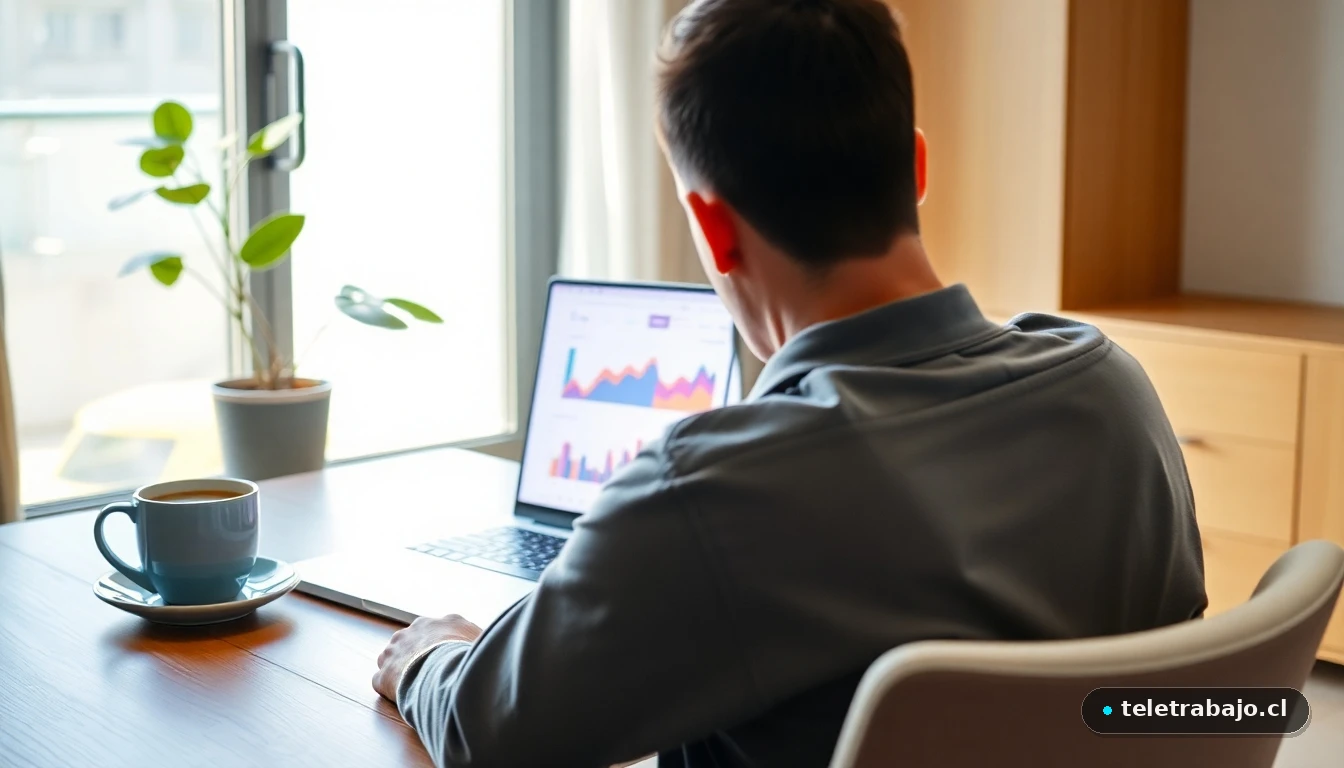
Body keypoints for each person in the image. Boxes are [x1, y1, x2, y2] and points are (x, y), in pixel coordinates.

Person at [372, 0, 1207, 765]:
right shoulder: (1113, 390)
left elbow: (493, 735)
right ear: (915, 167)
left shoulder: (720, 488)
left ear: (712, 226)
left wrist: (432, 656)